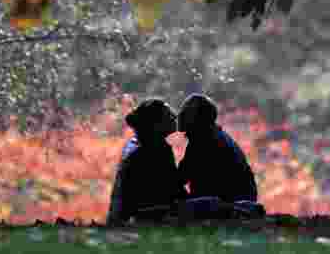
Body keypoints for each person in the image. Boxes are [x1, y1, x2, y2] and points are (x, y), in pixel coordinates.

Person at [176, 93, 265, 219]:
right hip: (237, 201)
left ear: (199, 118)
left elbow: (180, 178)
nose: (180, 115)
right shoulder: (208, 136)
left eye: (186, 112)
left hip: (230, 204)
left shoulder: (204, 140)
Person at [106, 98, 188, 226]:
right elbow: (174, 189)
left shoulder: (138, 143)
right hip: (145, 215)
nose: (174, 117)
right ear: (156, 123)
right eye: (168, 115)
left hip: (128, 216)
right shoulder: (156, 148)